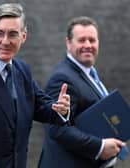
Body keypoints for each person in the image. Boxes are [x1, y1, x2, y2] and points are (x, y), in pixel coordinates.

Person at [0, 3, 70, 168]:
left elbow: (41, 106)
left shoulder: (22, 70)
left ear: (23, 36)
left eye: (12, 34)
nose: (5, 41)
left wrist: (60, 109)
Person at [38, 16, 125, 168]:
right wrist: (100, 147)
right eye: (82, 40)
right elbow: (57, 129)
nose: (88, 45)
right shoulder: (62, 78)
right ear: (68, 43)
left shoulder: (90, 75)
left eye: (92, 40)